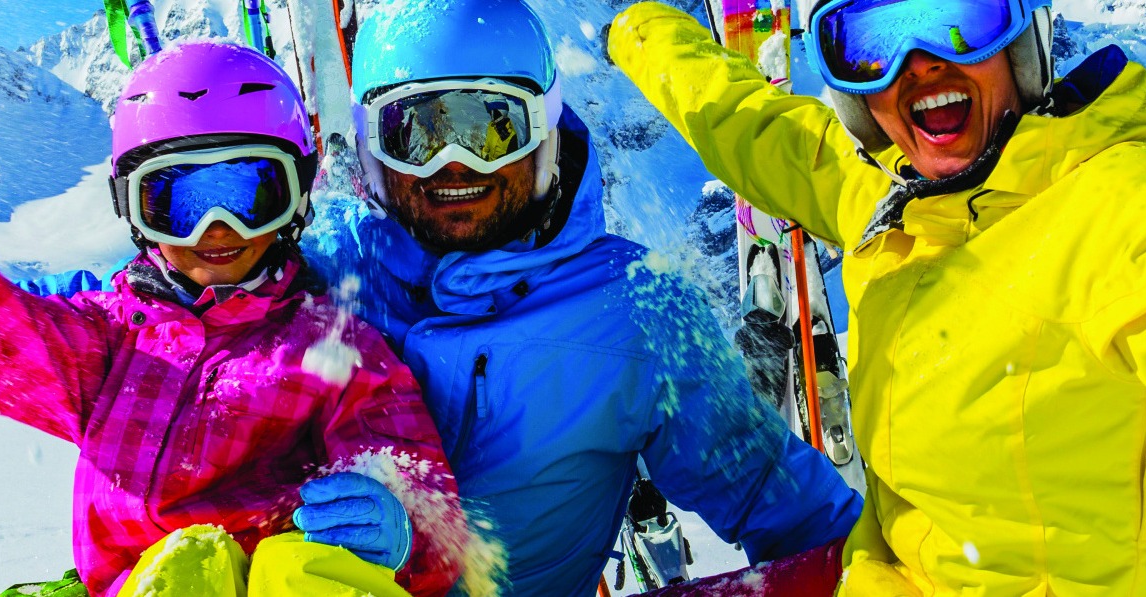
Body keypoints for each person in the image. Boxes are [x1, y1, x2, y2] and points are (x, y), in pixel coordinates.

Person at [605, 0, 1146, 593]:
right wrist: (640, 28)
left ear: (1022, 41)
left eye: (957, 18)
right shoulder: (892, 196)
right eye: (874, 41)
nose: (920, 65)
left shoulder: (1110, 204)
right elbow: (760, 129)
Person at [0, 41, 487, 597]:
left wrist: (401, 520)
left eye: (248, 195)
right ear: (134, 210)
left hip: (284, 582)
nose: (217, 232)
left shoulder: (337, 351)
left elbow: (414, 476)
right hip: (146, 585)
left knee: (279, 567)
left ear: (296, 198)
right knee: (188, 566)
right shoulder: (113, 338)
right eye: (177, 198)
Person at [299, 0, 863, 595]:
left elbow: (792, 512)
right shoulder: (319, 274)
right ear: (370, 144)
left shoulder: (636, 309)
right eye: (414, 131)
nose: (454, 162)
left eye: (493, 126)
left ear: (543, 130)